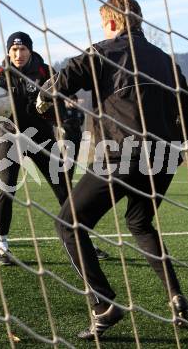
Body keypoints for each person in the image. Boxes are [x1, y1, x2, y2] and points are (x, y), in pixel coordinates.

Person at [37, 0, 188, 340]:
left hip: (122, 156)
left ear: (112, 23)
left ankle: (104, 306)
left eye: (102, 24)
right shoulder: (166, 60)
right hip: (165, 159)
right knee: (140, 222)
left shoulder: (103, 51)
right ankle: (176, 296)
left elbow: (67, 76)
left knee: (68, 224)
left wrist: (45, 96)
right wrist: (176, 138)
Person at [0, 31, 108, 265]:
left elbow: (60, 105)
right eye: (14, 49)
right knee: (6, 188)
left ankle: (84, 242)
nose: (18, 54)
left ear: (30, 50)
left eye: (22, 49)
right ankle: (1, 245)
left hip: (41, 137)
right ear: (8, 51)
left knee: (65, 190)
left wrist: (62, 119)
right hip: (9, 138)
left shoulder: (46, 73)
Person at [62, 94, 110, 260]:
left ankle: (67, 181)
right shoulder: (63, 111)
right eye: (70, 100)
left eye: (74, 100)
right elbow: (63, 126)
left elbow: (80, 126)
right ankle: (65, 183)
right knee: (66, 166)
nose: (72, 102)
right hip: (66, 142)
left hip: (76, 141)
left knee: (72, 164)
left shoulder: (79, 113)